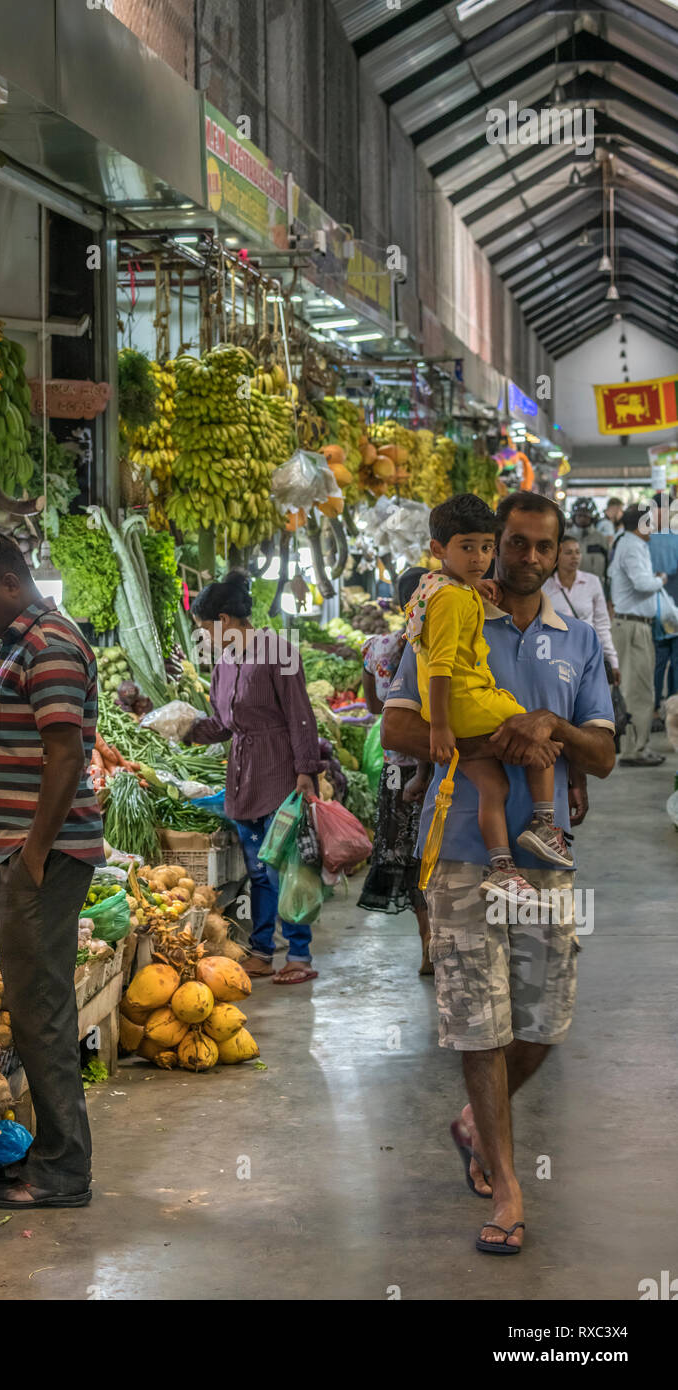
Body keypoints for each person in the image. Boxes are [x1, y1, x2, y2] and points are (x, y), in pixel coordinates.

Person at [383, 490, 615, 1255]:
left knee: (545, 1021)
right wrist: (481, 746)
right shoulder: (446, 613)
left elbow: (605, 755)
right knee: (478, 1026)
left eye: (538, 548)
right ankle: (508, 1184)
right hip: (458, 850)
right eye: (508, 543)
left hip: (546, 860)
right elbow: (397, 724)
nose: (520, 558)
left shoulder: (576, 640)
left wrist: (549, 729)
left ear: (558, 556)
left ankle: (472, 1124)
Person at [0, 529, 105, 1209]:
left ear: (12, 582)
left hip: (41, 856)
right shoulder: (26, 642)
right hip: (22, 853)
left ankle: (63, 1172)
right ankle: (54, 1156)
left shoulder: (49, 645)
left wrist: (34, 853)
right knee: (38, 1007)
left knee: (40, 1012)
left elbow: (65, 757)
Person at [405, 494, 573, 907]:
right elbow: (443, 664)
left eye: (485, 548)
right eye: (467, 548)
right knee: (538, 732)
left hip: (452, 709)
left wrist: (473, 588)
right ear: (438, 549)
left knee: (492, 786)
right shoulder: (453, 598)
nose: (480, 558)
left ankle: (501, 868)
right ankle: (546, 823)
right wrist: (442, 728)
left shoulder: (437, 585)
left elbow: (445, 595)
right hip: (464, 699)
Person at [185, 570, 322, 986]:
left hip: (280, 773)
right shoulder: (224, 665)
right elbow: (224, 725)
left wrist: (306, 771)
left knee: (289, 868)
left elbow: (301, 717)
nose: (205, 638)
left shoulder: (278, 652)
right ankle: (263, 951)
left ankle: (299, 954)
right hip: (243, 775)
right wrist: (184, 727)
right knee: (258, 872)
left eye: (204, 629)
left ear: (224, 620)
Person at [357, 566, 433, 974]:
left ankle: (427, 942)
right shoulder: (437, 646)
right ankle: (445, 940)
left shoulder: (374, 648)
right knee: (439, 855)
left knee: (408, 860)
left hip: (394, 773)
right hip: (437, 768)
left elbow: (372, 708)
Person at [609, 503, 678, 767]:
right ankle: (634, 750)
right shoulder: (631, 546)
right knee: (637, 691)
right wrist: (660, 579)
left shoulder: (630, 544)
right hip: (632, 626)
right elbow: (642, 583)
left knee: (642, 688)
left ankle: (639, 746)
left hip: (637, 625)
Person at [543, 537, 619, 676]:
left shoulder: (592, 582)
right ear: (556, 556)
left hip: (586, 652)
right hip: (554, 655)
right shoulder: (545, 586)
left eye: (578, 552)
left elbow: (601, 624)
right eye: (568, 553)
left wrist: (612, 659)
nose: (575, 557)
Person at [647, 493, 678, 714]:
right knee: (674, 659)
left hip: (651, 605)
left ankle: (657, 707)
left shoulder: (644, 537)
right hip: (672, 604)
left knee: (659, 660)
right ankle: (672, 707)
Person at [565, 500, 611, 586]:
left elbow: (608, 567)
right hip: (569, 588)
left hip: (596, 588)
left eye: (586, 516)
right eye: (579, 515)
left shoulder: (600, 539)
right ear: (574, 516)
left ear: (592, 518)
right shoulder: (565, 537)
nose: (582, 518)